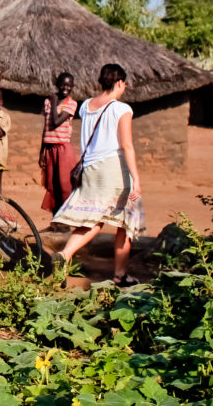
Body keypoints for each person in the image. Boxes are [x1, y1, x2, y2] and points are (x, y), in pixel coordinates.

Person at [51, 64, 145, 286]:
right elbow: (127, 146)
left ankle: (65, 254)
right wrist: (136, 180)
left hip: (90, 169)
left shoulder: (85, 106)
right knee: (124, 221)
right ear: (120, 82)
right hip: (114, 169)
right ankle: (119, 274)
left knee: (93, 218)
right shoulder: (122, 109)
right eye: (125, 84)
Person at [40, 73, 79, 218]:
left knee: (64, 186)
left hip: (63, 149)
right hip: (50, 149)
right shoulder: (47, 102)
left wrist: (55, 102)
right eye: (63, 84)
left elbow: (56, 122)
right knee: (52, 186)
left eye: (69, 85)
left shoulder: (71, 104)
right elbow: (46, 128)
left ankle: (66, 220)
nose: (65, 88)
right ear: (57, 84)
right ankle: (56, 220)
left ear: (72, 87)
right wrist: (41, 152)